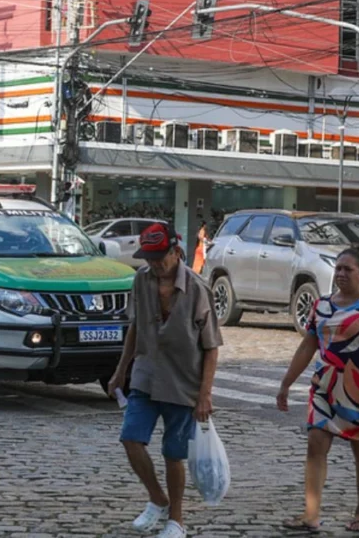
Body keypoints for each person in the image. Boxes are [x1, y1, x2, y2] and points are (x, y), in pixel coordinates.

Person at [107, 222, 222, 538]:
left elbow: (211, 346)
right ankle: (157, 498)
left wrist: (205, 395)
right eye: (149, 258)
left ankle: (177, 520)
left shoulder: (197, 289)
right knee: (131, 438)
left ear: (177, 252)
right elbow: (135, 327)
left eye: (160, 257)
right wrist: (121, 371)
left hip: (183, 382)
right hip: (145, 374)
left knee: (174, 453)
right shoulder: (141, 280)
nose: (154, 264)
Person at [277, 245, 359, 533]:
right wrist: (286, 383)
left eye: (348, 269)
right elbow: (307, 346)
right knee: (315, 444)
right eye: (338, 268)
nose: (341, 273)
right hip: (325, 385)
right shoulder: (321, 306)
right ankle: (311, 514)